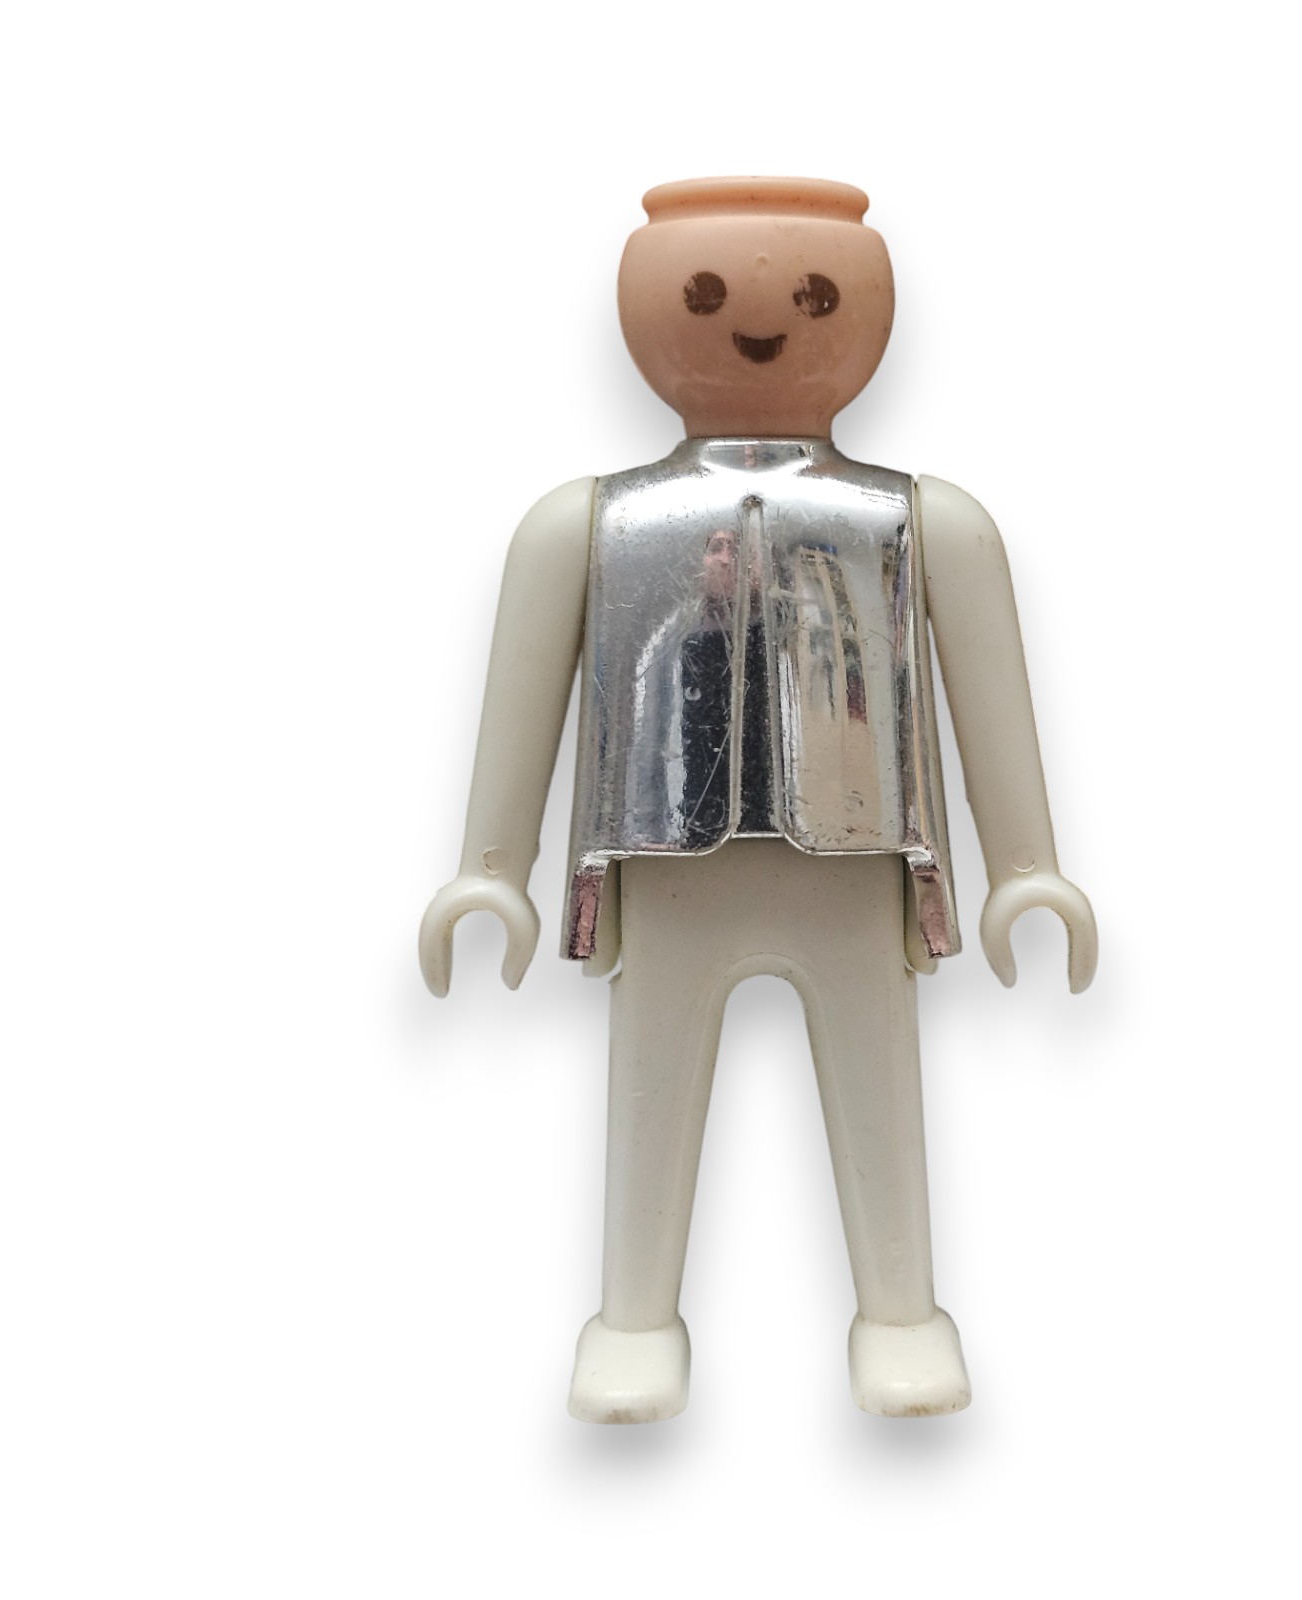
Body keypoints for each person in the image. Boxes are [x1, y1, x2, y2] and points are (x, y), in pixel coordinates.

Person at [420, 177, 1096, 1422]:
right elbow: (523, 691)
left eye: (817, 296)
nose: (764, 319)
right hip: (662, 852)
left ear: (868, 315)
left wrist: (1026, 866)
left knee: (878, 1083)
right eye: (704, 294)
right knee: (651, 1084)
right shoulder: (590, 523)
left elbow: (986, 684)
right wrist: (489, 867)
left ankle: (899, 1311)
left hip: (857, 855)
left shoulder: (915, 519)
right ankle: (634, 1319)